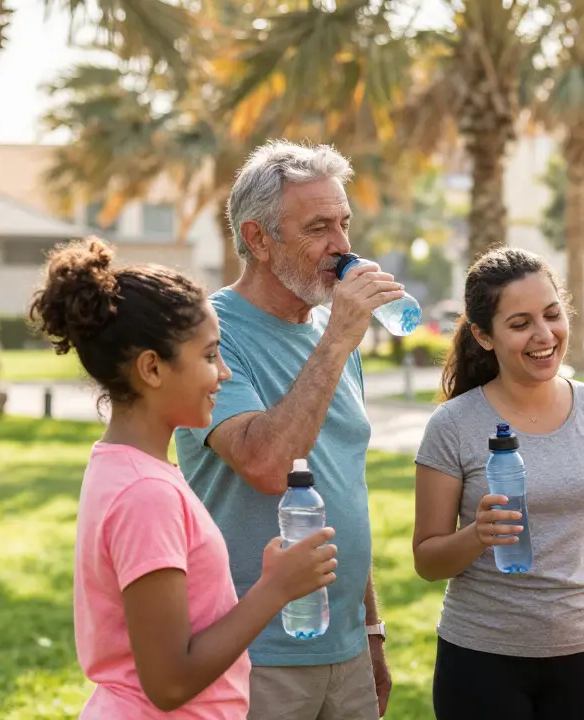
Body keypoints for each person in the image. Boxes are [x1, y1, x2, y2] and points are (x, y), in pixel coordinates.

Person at [29, 237, 338, 717]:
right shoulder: (144, 494)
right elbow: (169, 682)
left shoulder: (126, 466)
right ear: (152, 368)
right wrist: (274, 590)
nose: (225, 373)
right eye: (210, 356)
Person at [173, 140, 402, 720]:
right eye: (318, 227)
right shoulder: (210, 334)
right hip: (256, 653)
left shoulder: (332, 330)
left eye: (344, 223)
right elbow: (269, 465)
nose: (342, 246)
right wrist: (338, 339)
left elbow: (342, 486)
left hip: (345, 648)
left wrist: (371, 630)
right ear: (258, 240)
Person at [411, 247, 584, 720]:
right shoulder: (453, 425)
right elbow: (428, 560)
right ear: (483, 335)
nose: (544, 335)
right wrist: (476, 535)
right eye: (520, 324)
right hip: (481, 660)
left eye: (552, 315)